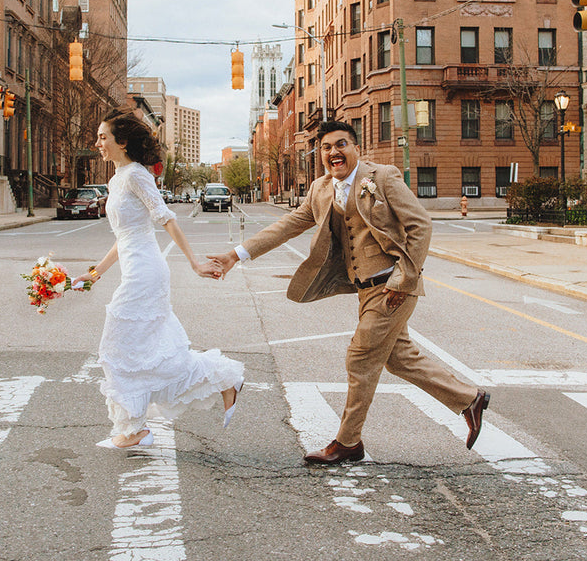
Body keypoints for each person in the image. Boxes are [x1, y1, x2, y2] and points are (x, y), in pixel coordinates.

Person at [209, 120, 489, 464]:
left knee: (359, 358)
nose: (333, 153)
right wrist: (235, 256)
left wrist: (405, 279)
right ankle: (469, 398)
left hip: (392, 287)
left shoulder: (382, 177)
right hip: (364, 289)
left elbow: (420, 225)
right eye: (326, 148)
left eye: (341, 145)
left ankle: (348, 442)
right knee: (399, 359)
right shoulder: (321, 189)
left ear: (356, 148)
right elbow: (286, 226)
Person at [72, 109, 243, 449]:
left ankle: (137, 429)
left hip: (146, 272)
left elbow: (166, 219)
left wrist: (194, 262)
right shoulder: (117, 178)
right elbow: (124, 237)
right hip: (135, 267)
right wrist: (93, 274)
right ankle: (219, 382)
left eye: (103, 137)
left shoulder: (136, 175)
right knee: (142, 352)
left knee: (118, 346)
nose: (97, 143)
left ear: (122, 142)